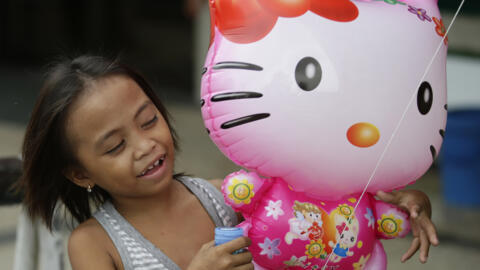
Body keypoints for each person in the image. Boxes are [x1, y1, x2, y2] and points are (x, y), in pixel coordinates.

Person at [17, 55, 438, 270]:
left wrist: (410, 202)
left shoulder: (225, 196)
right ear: (80, 172)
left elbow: (337, 207)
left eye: (149, 120)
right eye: (115, 146)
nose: (145, 145)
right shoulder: (94, 244)